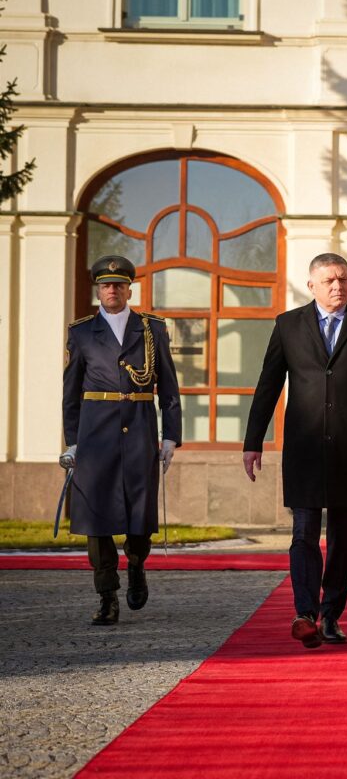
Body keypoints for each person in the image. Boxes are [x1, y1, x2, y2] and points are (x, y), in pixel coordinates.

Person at [242, 253, 347, 649]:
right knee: (304, 533)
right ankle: (304, 613)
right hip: (304, 449)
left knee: (343, 539)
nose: (338, 287)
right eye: (329, 280)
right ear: (311, 285)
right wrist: (252, 441)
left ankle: (331, 616)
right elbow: (268, 385)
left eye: (343, 279)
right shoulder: (288, 325)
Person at [61, 255, 181, 625]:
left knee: (139, 513)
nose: (111, 290)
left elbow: (170, 389)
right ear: (98, 290)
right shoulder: (81, 332)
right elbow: (70, 393)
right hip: (94, 437)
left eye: (118, 284)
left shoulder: (151, 329)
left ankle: (138, 564)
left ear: (129, 288)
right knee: (96, 519)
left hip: (140, 431)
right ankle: (107, 596)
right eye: (105, 285)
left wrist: (171, 437)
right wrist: (71, 442)